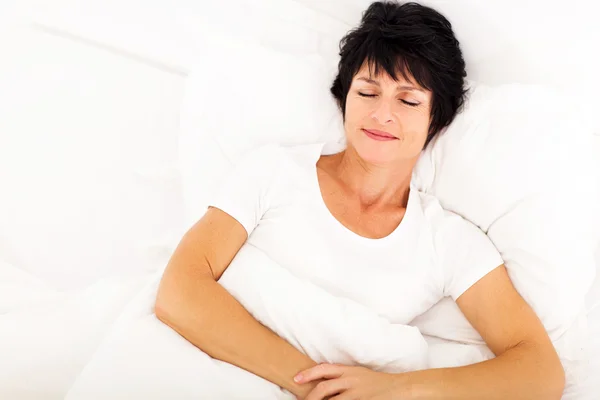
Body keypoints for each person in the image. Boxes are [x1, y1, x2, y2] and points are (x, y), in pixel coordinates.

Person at [154, 1, 565, 399]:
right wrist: (314, 385)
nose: (382, 114)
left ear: (435, 119)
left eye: (407, 101)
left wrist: (392, 390)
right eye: (368, 93)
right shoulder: (274, 172)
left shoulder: (448, 242)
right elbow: (178, 289)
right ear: (345, 98)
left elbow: (540, 371)